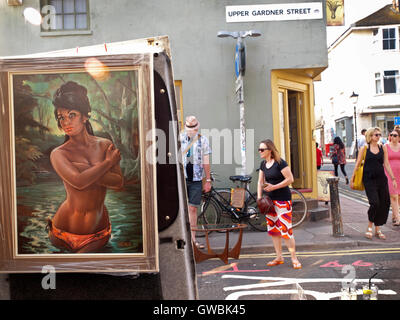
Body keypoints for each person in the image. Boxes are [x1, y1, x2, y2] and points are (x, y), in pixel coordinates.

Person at [49, 81, 123, 253]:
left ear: (85, 116)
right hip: (61, 231)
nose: (66, 122)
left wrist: (83, 169)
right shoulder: (58, 153)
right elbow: (79, 182)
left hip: (97, 233)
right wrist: (107, 164)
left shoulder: (105, 145)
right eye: (61, 117)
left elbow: (118, 182)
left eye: (72, 115)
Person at [257, 139, 301, 269]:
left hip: (283, 200)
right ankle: (279, 257)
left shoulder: (280, 163)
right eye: (259, 149)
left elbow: (290, 179)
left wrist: (274, 187)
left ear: (269, 150)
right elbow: (260, 182)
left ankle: (294, 258)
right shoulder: (263, 164)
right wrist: (259, 198)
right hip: (269, 202)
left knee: (286, 230)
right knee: (274, 230)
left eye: (262, 149)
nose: (259, 152)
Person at [350, 127, 397, 240]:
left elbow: (386, 164)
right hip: (369, 179)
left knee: (384, 203)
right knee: (374, 203)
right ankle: (369, 226)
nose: (378, 136)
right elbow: (357, 165)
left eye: (379, 134)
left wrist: (393, 178)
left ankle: (378, 229)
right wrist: (352, 179)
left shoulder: (382, 147)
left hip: (381, 179)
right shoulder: (364, 148)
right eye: (376, 134)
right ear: (370, 136)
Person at [180, 116, 212, 249]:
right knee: (181, 210)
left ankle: (193, 240)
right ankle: (182, 241)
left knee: (193, 209)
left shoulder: (203, 140)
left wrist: (208, 179)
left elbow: (206, 161)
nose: (192, 130)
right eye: (190, 128)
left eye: (194, 128)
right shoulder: (179, 139)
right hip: (181, 179)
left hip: (196, 179)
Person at [385, 128, 400, 226]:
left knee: (398, 196)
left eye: (395, 135)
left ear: (399, 137)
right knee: (393, 196)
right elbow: (385, 162)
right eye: (391, 135)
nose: (392, 137)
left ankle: (394, 216)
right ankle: (398, 219)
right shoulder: (385, 146)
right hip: (389, 173)